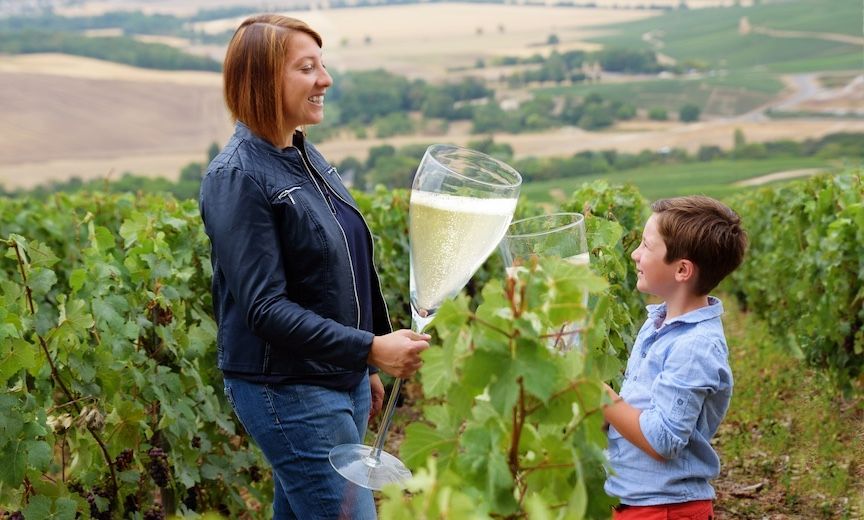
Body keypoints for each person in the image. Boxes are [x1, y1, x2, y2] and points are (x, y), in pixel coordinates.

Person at [199, 14, 429, 519]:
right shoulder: (237, 177)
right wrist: (369, 347)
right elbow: (265, 308)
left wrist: (360, 362)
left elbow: (345, 264)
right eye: (307, 68)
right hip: (287, 390)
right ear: (263, 80)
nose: (325, 79)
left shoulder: (303, 155)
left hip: (335, 378)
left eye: (321, 65)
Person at [602, 196, 748, 519]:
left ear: (682, 270)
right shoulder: (657, 323)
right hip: (640, 503)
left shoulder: (695, 347)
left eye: (645, 245)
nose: (634, 254)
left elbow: (663, 439)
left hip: (666, 509)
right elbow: (640, 405)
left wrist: (603, 399)